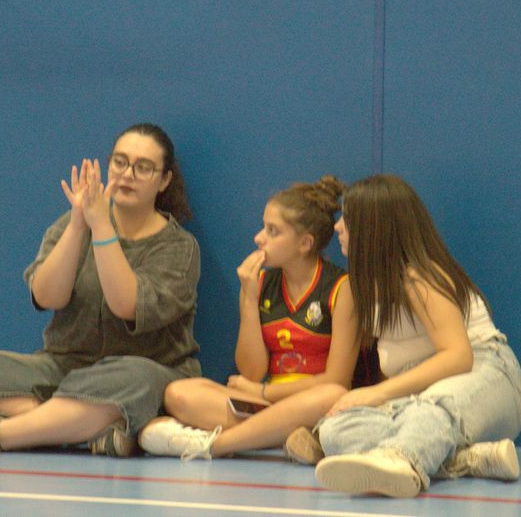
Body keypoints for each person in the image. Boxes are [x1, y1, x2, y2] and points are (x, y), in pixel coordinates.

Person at [0, 123, 200, 457]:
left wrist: (102, 227)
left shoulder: (178, 247)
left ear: (164, 180)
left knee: (134, 379)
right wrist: (79, 224)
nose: (128, 174)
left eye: (143, 167)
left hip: (141, 371)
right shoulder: (72, 224)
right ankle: (88, 426)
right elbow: (47, 296)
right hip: (66, 368)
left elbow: (126, 304)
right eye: (120, 162)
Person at [309, 174, 521, 498]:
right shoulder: (372, 287)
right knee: (335, 430)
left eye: (347, 220)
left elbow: (459, 357)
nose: (338, 227)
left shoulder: (419, 276)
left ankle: (400, 460)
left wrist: (378, 393)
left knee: (430, 409)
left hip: (489, 375)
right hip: (423, 396)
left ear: (373, 228)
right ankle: (463, 460)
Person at [138, 176, 360, 460]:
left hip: (313, 405)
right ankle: (283, 435)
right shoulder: (261, 282)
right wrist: (249, 300)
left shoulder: (341, 288)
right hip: (264, 402)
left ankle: (212, 444)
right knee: (179, 393)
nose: (259, 238)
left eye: (273, 231)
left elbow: (337, 380)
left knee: (331, 395)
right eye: (263, 227)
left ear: (304, 243)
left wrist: (263, 392)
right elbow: (251, 371)